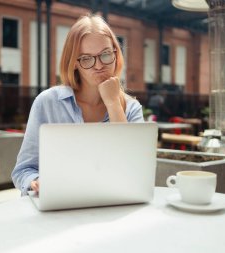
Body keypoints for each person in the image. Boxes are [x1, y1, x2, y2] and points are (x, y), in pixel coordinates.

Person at [12, 14, 144, 195]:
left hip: (111, 205)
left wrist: (113, 103)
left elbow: (134, 172)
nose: (99, 66)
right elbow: (23, 171)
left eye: (105, 54)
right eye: (87, 59)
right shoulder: (48, 103)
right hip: (57, 208)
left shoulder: (132, 109)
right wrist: (36, 182)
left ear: (115, 53)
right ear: (74, 63)